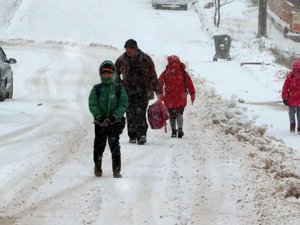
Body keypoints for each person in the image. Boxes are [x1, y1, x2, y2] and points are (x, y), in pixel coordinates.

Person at [115, 39, 162, 145]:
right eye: (126, 48)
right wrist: (119, 84)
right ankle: (132, 135)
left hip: (143, 91)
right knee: (130, 113)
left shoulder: (146, 59)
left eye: (130, 48)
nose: (128, 51)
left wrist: (158, 90)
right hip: (128, 92)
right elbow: (115, 74)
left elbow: (153, 75)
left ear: (135, 48)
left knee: (140, 113)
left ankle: (141, 135)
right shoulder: (121, 60)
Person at [88, 60, 128, 178]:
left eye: (109, 73)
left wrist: (115, 116)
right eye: (104, 73)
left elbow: (123, 103)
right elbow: (92, 104)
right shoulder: (96, 89)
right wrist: (98, 116)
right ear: (101, 74)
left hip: (114, 122)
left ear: (114, 74)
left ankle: (116, 170)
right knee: (99, 146)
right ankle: (98, 166)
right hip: (100, 123)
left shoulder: (118, 89)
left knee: (114, 146)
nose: (107, 75)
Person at [159, 55, 196, 138]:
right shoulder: (183, 72)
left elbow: (160, 83)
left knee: (172, 115)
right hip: (181, 97)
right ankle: (180, 129)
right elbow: (189, 83)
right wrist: (192, 94)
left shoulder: (166, 72)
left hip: (169, 97)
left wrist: (160, 93)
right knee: (179, 113)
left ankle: (173, 131)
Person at [282, 59, 300, 134]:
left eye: (298, 69)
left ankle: (299, 127)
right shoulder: (290, 77)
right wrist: (284, 97)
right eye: (295, 69)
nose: (296, 71)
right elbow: (285, 87)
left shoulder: (290, 77)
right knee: (291, 112)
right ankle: (292, 124)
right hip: (291, 98)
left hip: (297, 98)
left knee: (299, 113)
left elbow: (285, 87)